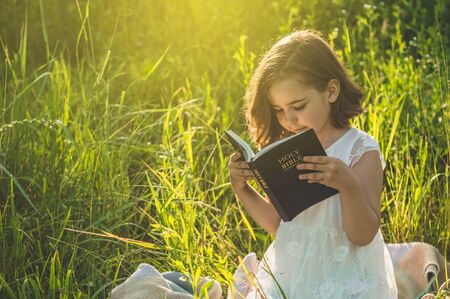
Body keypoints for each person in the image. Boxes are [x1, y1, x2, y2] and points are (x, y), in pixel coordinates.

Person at [227, 30, 398, 298]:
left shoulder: (360, 151)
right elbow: (277, 223)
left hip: (345, 272)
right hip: (294, 270)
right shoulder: (287, 150)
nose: (289, 120)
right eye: (279, 110)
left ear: (331, 91)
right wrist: (243, 189)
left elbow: (363, 235)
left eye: (298, 106)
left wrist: (348, 185)